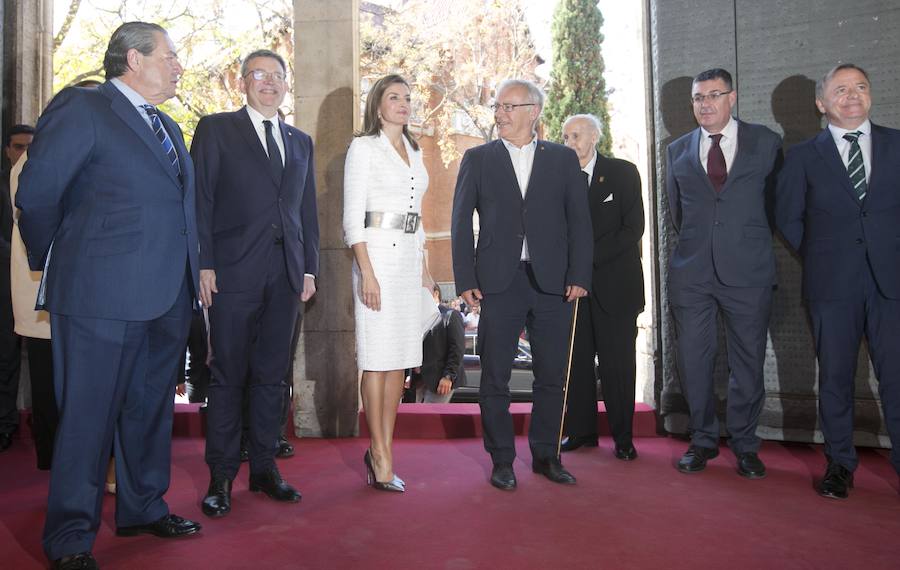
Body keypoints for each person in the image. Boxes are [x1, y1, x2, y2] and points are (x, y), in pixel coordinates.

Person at [16, 21, 202, 569]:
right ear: (133, 59)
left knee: (149, 411)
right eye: (170, 55)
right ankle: (71, 537)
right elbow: (39, 193)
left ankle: (143, 506)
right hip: (98, 294)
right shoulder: (82, 108)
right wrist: (65, 258)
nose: (178, 65)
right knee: (88, 417)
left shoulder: (168, 125)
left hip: (167, 294)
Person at [192, 49, 319, 517]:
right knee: (227, 377)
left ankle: (265, 468)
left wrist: (308, 268)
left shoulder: (300, 141)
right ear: (242, 83)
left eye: (277, 76)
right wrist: (203, 263)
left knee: (272, 377)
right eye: (259, 75)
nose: (269, 83)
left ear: (287, 84)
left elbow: (306, 211)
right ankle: (221, 476)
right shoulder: (216, 129)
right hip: (230, 274)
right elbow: (200, 199)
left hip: (285, 277)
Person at [451, 79, 592, 491]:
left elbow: (579, 222)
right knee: (495, 376)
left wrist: (580, 275)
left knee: (552, 375)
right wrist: (465, 278)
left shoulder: (563, 159)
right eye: (498, 107)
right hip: (499, 281)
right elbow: (461, 223)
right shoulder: (477, 158)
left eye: (510, 107)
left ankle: (547, 455)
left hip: (554, 284)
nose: (500, 114)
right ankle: (502, 461)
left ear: (534, 112)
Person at [776, 63, 900, 500]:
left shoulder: (896, 143)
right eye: (841, 89)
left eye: (861, 87)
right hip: (832, 285)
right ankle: (840, 465)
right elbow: (788, 218)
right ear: (821, 102)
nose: (852, 96)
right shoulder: (803, 156)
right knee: (835, 378)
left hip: (892, 283)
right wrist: (824, 255)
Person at [665, 68, 782, 478]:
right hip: (692, 274)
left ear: (732, 98)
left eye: (714, 95)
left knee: (747, 363)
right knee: (694, 361)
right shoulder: (676, 150)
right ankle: (702, 441)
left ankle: (747, 445)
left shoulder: (766, 143)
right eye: (698, 97)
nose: (705, 104)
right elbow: (678, 213)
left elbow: (776, 208)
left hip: (748, 272)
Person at [343, 74, 434, 493]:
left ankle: (386, 447)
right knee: (376, 360)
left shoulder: (415, 151)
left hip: (407, 262)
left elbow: (418, 218)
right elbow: (352, 219)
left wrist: (425, 271)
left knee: (398, 361)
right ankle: (379, 453)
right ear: (378, 105)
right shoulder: (363, 147)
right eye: (393, 97)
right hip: (376, 257)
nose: (403, 103)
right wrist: (367, 273)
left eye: (407, 98)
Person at [559, 113, 645, 461]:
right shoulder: (558, 179)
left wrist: (586, 261)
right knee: (577, 366)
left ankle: (623, 438)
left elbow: (633, 228)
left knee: (617, 366)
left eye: (576, 135)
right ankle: (581, 432)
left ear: (594, 137)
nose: (570, 143)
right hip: (573, 293)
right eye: (565, 137)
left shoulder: (623, 172)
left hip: (616, 289)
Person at [0, 125, 33, 453]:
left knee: (44, 361)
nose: (24, 152)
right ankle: (5, 425)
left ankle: (43, 421)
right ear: (8, 149)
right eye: (18, 146)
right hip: (4, 287)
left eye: (30, 147)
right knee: (6, 360)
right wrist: (18, 254)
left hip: (38, 284)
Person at [411, 285, 466, 403]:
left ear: (436, 294)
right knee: (416, 418)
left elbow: (457, 348)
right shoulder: (414, 318)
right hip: (417, 381)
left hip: (439, 380)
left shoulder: (450, 315)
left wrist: (448, 376)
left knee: (428, 419)